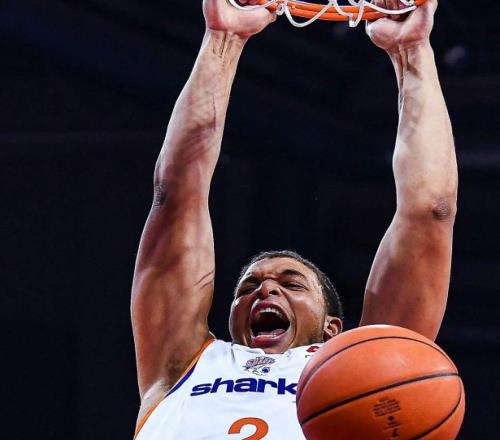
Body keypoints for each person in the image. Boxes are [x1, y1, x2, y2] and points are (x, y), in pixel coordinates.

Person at [131, 0, 457, 438]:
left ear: (332, 329)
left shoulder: (366, 372)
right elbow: (174, 196)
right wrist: (223, 39)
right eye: (247, 287)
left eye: (292, 284)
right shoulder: (183, 363)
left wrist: (412, 52)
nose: (265, 289)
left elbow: (430, 212)